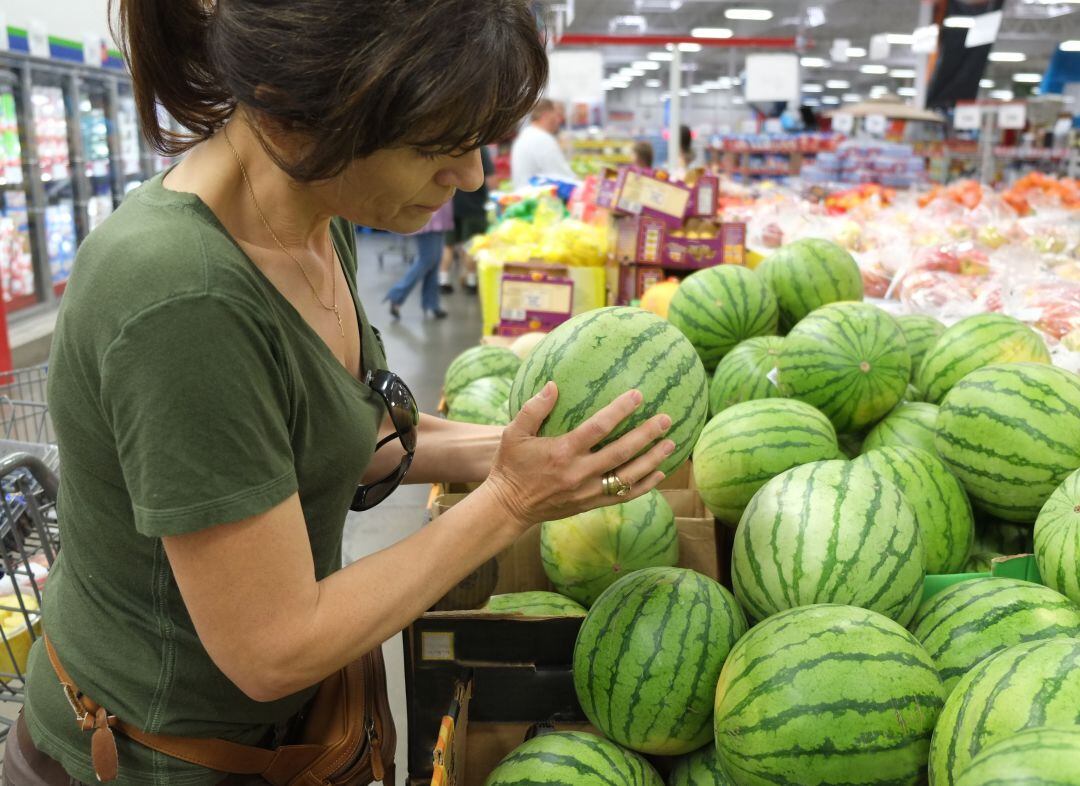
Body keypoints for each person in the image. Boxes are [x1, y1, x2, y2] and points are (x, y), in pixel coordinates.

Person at [9, 1, 675, 784]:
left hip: (280, 737)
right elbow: (274, 646)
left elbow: (341, 433)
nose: (472, 177)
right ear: (302, 120)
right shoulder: (183, 298)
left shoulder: (320, 213)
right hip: (158, 755)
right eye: (440, 146)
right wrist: (509, 500)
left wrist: (529, 454)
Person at [440, 146, 496, 295]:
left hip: (449, 203)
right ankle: (471, 282)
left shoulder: (450, 144)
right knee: (471, 245)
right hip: (473, 205)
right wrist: (494, 196)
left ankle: (443, 280)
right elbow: (490, 178)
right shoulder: (480, 148)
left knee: (449, 245)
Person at [387, 200, 453, 319]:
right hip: (431, 215)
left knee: (434, 262)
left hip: (437, 214)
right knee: (427, 260)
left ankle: (432, 304)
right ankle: (396, 295)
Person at [510, 98, 578, 189]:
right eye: (557, 115)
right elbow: (563, 177)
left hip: (525, 196)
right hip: (536, 199)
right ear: (546, 115)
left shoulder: (526, 134)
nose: (559, 121)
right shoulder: (542, 139)